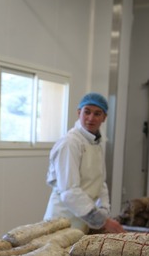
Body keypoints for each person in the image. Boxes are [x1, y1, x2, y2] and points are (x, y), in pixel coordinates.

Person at [44, 92, 124, 234]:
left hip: (83, 220)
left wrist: (104, 211)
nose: (91, 118)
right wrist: (102, 221)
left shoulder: (96, 142)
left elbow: (101, 183)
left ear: (104, 118)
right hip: (62, 221)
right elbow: (69, 191)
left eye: (97, 113)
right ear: (79, 112)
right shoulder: (70, 143)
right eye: (87, 112)